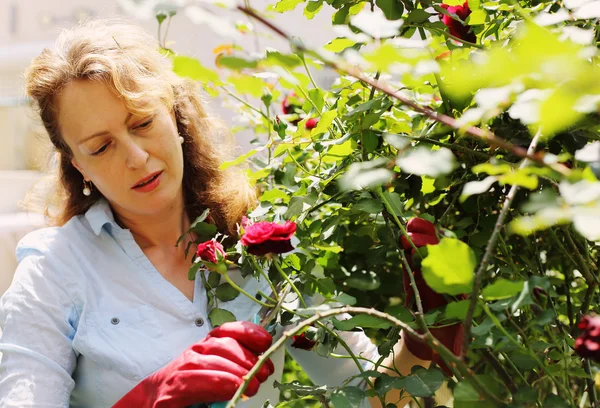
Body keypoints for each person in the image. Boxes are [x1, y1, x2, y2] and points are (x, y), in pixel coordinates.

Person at [0, 18, 435, 408]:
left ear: (174, 115)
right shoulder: (54, 271)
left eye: (142, 123)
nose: (135, 156)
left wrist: (426, 334)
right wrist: (146, 399)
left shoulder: (266, 248)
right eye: (100, 146)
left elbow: (368, 396)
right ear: (79, 165)